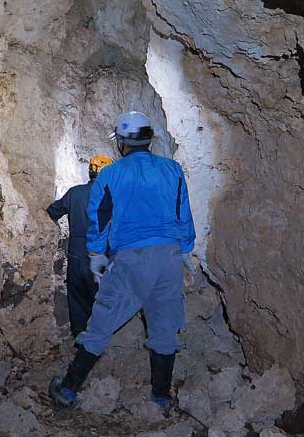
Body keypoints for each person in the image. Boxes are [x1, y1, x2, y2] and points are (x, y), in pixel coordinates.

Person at [49, 111, 197, 411]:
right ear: (150, 139)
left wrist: (96, 256)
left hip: (132, 258)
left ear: (121, 143)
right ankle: (161, 397)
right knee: (164, 327)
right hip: (168, 257)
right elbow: (184, 214)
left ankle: (68, 390)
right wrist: (185, 249)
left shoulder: (111, 174)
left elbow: (99, 219)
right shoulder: (172, 169)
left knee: (101, 321)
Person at [46, 155, 114, 339]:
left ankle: (79, 336)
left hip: (76, 255)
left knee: (76, 297)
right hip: (100, 257)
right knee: (100, 297)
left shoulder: (74, 193)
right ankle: (97, 338)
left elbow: (53, 211)